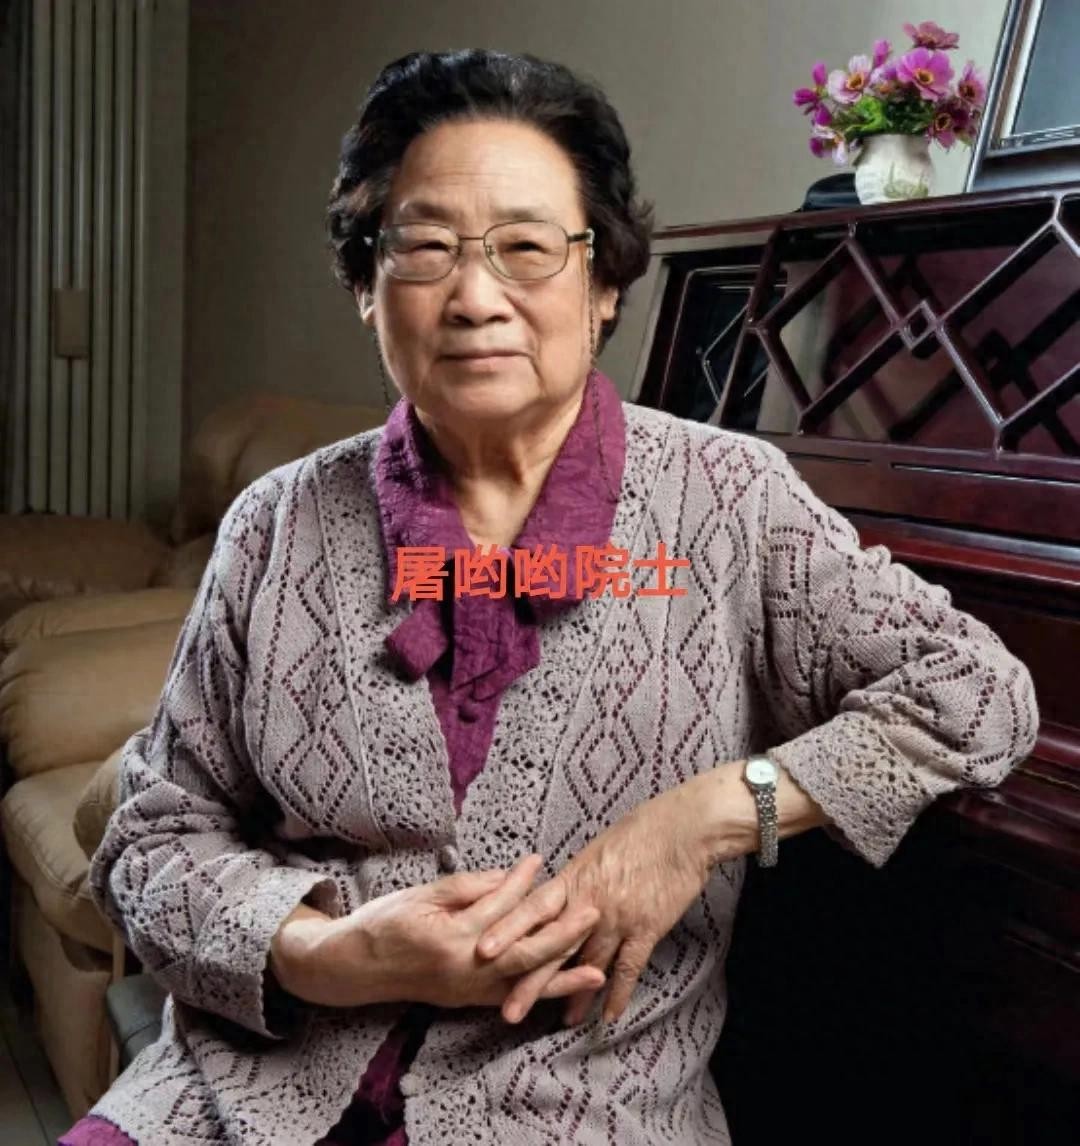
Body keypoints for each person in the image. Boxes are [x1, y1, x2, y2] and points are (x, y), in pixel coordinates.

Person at [60, 49, 1038, 1146]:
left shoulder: (728, 499)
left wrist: (705, 817)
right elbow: (153, 836)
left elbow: (976, 691)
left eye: (527, 248)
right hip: (241, 1095)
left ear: (604, 283)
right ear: (367, 287)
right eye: (425, 248)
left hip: (581, 1110)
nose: (476, 298)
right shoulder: (275, 523)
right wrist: (325, 954)